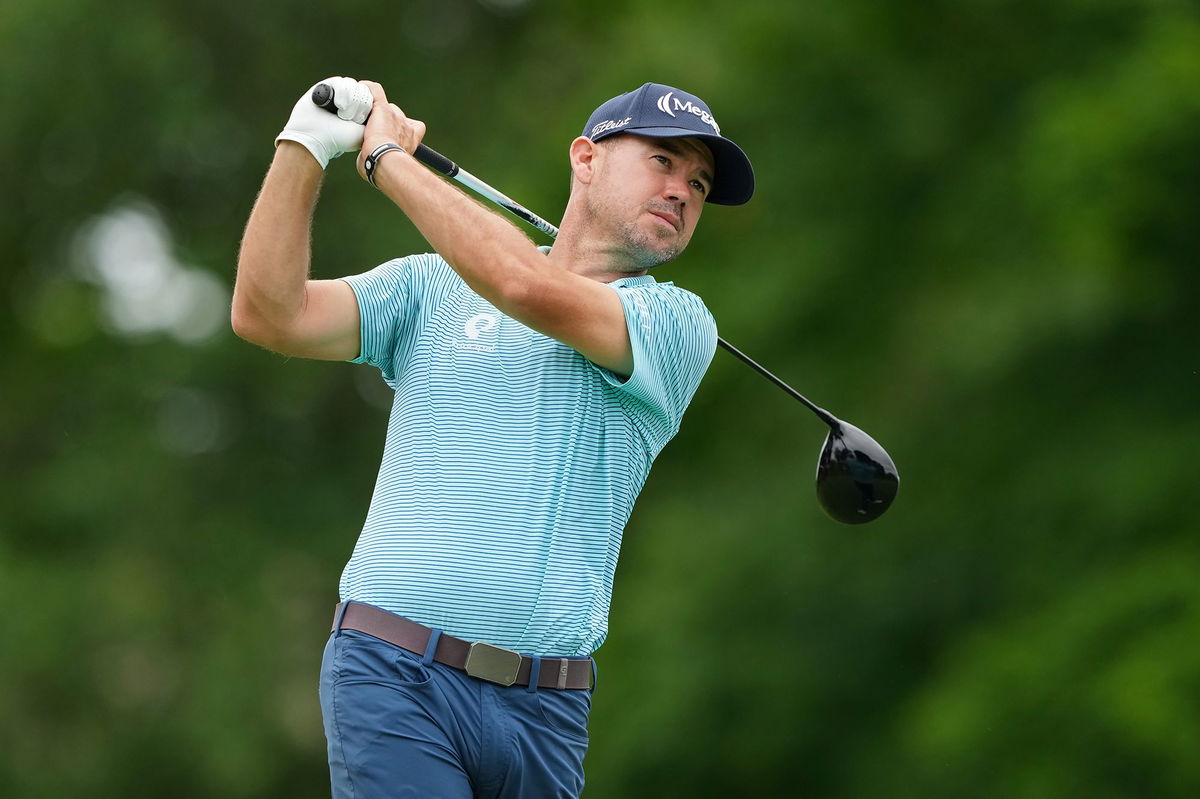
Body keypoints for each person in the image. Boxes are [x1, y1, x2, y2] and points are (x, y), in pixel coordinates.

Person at [231, 76, 754, 798]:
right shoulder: (429, 288)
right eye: (663, 161)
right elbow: (268, 312)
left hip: (547, 711)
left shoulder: (677, 325)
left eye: (698, 182)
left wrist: (389, 161)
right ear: (586, 158)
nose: (682, 191)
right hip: (393, 672)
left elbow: (525, 288)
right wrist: (305, 147)